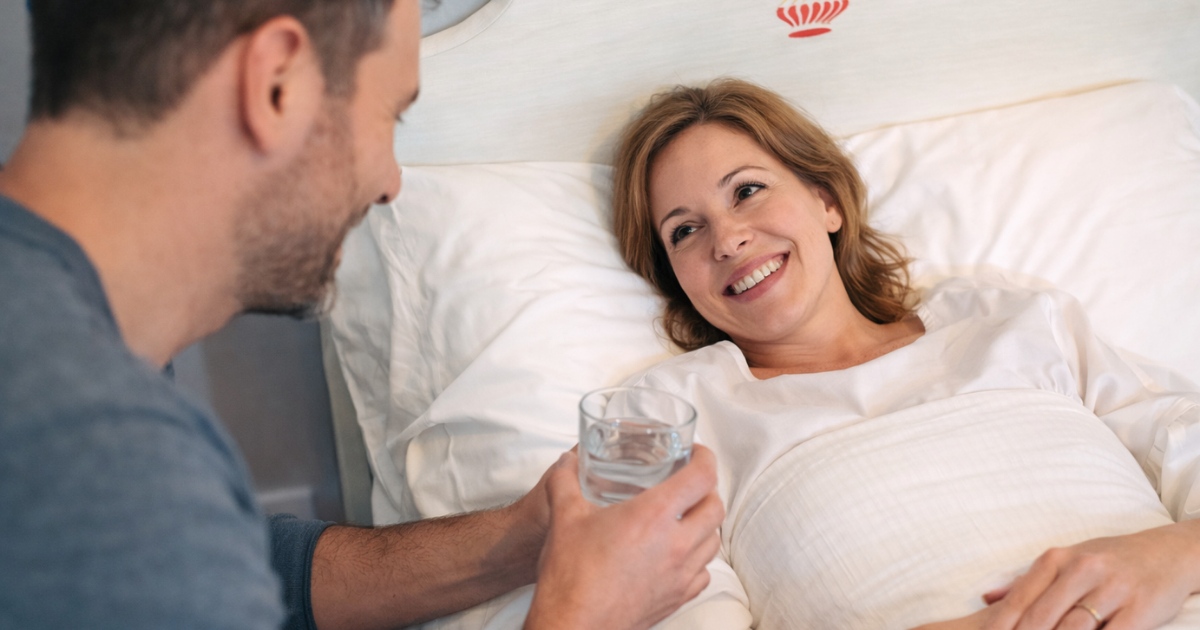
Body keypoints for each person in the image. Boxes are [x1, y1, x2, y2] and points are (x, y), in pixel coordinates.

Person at [0, 1, 725, 629]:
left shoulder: (62, 338)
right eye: (389, 116)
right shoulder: (88, 448)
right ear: (276, 83)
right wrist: (582, 617)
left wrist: (519, 541)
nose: (390, 181)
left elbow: (230, 566)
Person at [610, 78, 1200, 629]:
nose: (728, 239)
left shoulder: (1009, 318)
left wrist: (1169, 554)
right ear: (674, 276)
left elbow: (1182, 438)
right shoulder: (660, 413)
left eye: (748, 191)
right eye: (684, 230)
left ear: (826, 202)